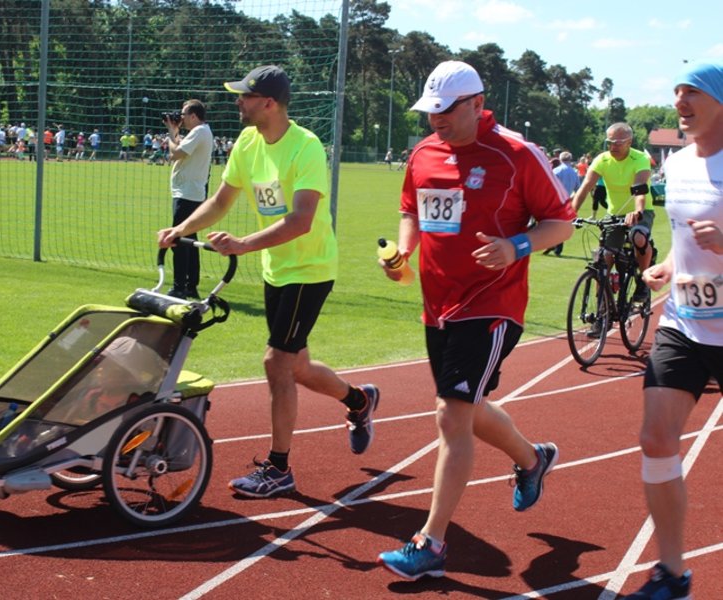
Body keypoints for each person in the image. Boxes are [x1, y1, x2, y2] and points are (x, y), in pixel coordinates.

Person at [375, 61, 574, 580]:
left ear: (475, 104)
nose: (434, 120)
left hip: (493, 302)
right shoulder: (422, 153)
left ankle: (431, 543)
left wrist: (516, 246)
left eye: (444, 111)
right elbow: (411, 210)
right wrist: (402, 250)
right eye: (429, 111)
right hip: (438, 302)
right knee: (466, 403)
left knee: (450, 413)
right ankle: (532, 459)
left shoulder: (516, 154)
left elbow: (561, 222)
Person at [158, 65, 379, 498]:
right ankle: (359, 400)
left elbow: (300, 221)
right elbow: (221, 200)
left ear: (269, 103)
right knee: (296, 365)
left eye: (245, 96)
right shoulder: (247, 141)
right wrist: (182, 230)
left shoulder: (306, 148)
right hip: (277, 269)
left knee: (275, 363)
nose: (238, 102)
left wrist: (242, 244)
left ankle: (279, 468)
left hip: (310, 269)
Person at [623, 62, 723, 600]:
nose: (680, 102)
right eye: (677, 93)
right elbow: (682, 237)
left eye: (693, 93)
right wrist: (668, 266)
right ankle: (672, 572)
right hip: (684, 321)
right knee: (656, 438)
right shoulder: (679, 165)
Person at [572, 122, 656, 302]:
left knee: (638, 237)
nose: (613, 146)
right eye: (609, 142)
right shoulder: (602, 159)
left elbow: (639, 190)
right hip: (614, 213)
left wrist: (638, 211)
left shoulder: (640, 158)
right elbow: (585, 187)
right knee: (604, 259)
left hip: (640, 210)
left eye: (618, 142)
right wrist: (570, 213)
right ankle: (602, 310)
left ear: (629, 142)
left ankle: (643, 279)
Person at [163, 99, 213, 299]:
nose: (180, 118)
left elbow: (175, 154)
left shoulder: (199, 131)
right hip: (191, 192)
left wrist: (170, 133)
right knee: (190, 240)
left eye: (183, 115)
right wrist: (174, 131)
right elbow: (181, 150)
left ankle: (179, 287)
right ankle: (191, 285)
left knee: (179, 240)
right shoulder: (202, 132)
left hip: (187, 194)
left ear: (194, 116)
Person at [543, 151, 580, 256]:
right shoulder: (574, 172)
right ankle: (557, 248)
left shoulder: (556, 171)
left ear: (560, 159)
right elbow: (578, 189)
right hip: (567, 201)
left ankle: (551, 243)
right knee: (562, 224)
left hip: (555, 200)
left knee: (550, 223)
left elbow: (549, 185)